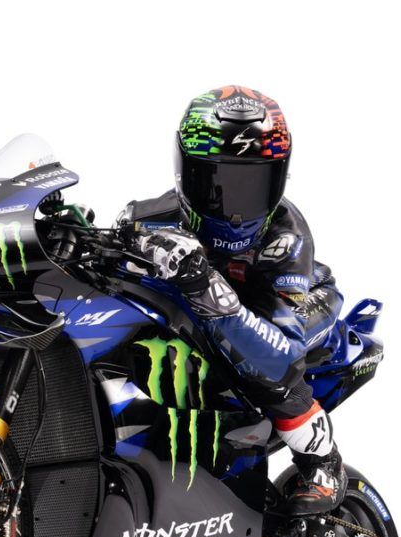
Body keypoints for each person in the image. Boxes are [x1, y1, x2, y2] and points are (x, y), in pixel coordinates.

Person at [118, 86, 346, 515]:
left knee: (260, 365)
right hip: (215, 308)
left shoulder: (287, 237)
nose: (234, 204)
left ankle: (321, 461)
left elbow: (281, 354)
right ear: (186, 173)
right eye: (216, 182)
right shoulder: (152, 216)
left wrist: (203, 283)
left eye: (251, 184)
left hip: (298, 303)